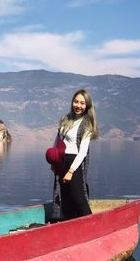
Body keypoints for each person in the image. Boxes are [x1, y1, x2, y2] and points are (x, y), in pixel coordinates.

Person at [51, 89, 99, 220]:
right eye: (76, 101)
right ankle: (68, 224)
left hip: (74, 162)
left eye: (82, 103)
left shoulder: (86, 124)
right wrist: (54, 161)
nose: (78, 105)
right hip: (62, 161)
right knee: (64, 196)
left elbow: (82, 152)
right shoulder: (66, 119)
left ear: (87, 106)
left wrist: (71, 171)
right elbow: (58, 140)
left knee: (78, 197)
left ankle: (90, 224)